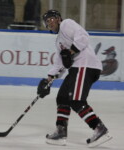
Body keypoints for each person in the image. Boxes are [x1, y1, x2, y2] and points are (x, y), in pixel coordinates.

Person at [37, 10, 112, 147]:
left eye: (51, 19)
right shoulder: (58, 41)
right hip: (77, 68)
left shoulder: (67, 24)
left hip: (86, 65)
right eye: (47, 22)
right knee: (62, 97)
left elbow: (83, 37)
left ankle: (99, 129)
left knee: (76, 100)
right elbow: (60, 64)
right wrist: (47, 81)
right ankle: (60, 132)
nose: (50, 23)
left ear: (59, 19)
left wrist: (70, 52)